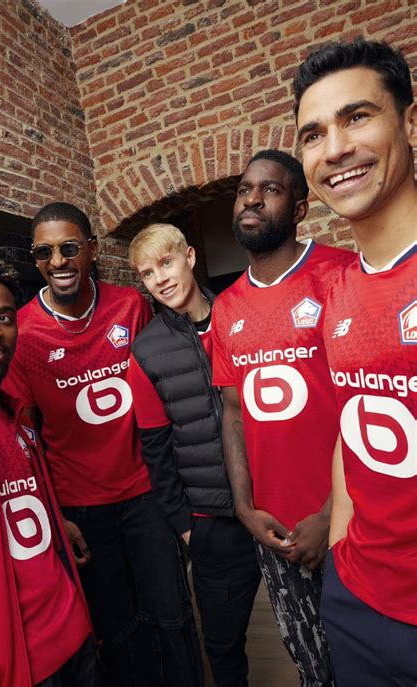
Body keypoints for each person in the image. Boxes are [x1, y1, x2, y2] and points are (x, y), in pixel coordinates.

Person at [3, 203, 203, 687]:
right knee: (114, 627)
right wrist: (56, 515)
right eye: (44, 252)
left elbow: (160, 395)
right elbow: (24, 436)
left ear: (92, 250)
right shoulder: (24, 333)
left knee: (171, 614)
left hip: (146, 493)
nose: (58, 261)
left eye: (69, 248)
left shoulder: (129, 306)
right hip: (81, 506)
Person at [294, 38, 417, 685]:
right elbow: (353, 429)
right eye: (313, 134)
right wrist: (341, 555)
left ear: (410, 123)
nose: (335, 148)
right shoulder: (339, 291)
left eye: (357, 117)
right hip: (359, 602)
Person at [211, 150, 356, 686]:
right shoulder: (226, 306)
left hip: (352, 521)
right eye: (244, 190)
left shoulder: (342, 275)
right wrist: (245, 508)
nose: (251, 199)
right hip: (275, 529)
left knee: (366, 661)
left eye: (269, 190)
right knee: (311, 665)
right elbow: (232, 411)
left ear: (299, 208)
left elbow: (367, 401)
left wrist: (331, 514)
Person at [0, 254, 100, 687]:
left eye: (5, 317)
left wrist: (54, 523)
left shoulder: (16, 415)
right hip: (9, 666)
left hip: (75, 637)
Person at [128, 223, 261, 687]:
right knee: (223, 647)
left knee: (309, 626)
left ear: (188, 256)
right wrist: (186, 525)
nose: (160, 279)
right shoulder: (145, 352)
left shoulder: (241, 315)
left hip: (275, 502)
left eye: (165, 263)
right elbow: (155, 446)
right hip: (213, 522)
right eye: (147, 273)